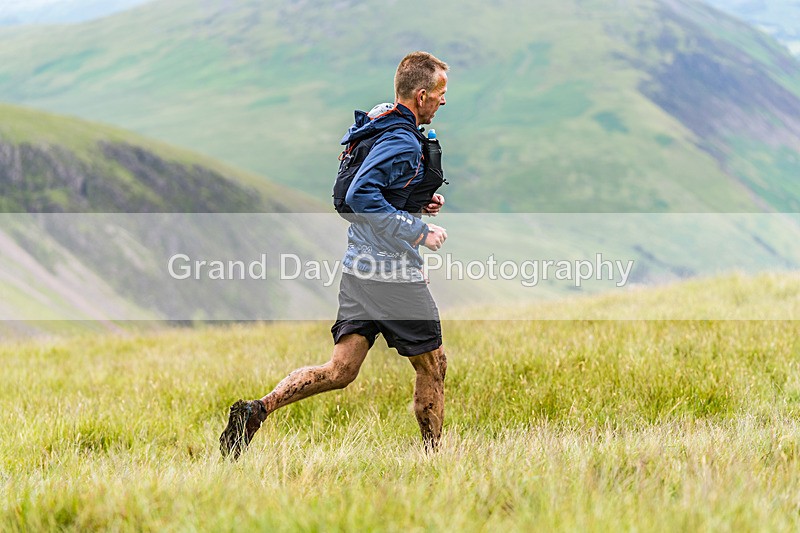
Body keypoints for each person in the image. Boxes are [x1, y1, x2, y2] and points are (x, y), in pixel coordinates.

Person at [220, 51, 450, 460]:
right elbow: (361, 194)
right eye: (439, 93)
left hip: (358, 271)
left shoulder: (381, 123)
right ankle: (436, 460)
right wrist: (419, 230)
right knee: (434, 367)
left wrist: (417, 201)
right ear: (420, 95)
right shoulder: (400, 139)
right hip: (392, 276)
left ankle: (259, 409)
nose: (443, 101)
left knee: (339, 371)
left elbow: (377, 190)